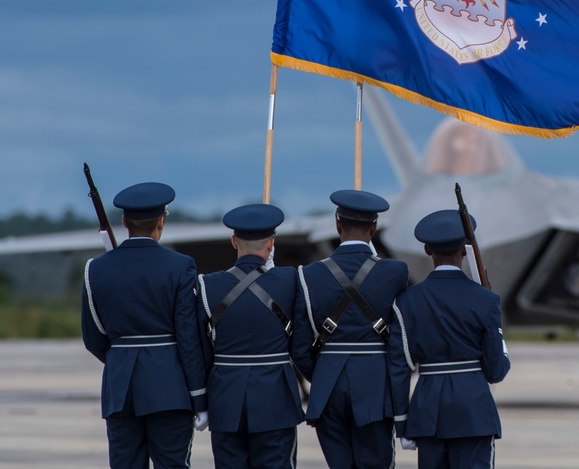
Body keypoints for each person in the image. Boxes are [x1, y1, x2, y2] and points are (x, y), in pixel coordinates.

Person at [80, 182, 209, 469]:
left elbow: (94, 337)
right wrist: (199, 397)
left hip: (120, 389)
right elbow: (188, 337)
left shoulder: (96, 268)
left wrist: (122, 358)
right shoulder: (181, 266)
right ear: (161, 221)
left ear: (124, 222)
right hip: (170, 389)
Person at [292, 189, 409, 469]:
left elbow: (299, 346)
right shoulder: (395, 272)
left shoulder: (309, 275)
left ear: (337, 225)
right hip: (375, 385)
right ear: (374, 228)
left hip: (327, 388)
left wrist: (323, 373)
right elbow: (400, 342)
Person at [388, 209, 511, 469]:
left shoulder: (407, 300)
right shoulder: (486, 300)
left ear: (427, 250)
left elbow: (399, 366)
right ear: (465, 250)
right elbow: (496, 371)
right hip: (473, 412)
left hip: (427, 412)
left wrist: (401, 422)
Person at [197, 203, 306, 469]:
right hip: (276, 399)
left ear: (234, 241)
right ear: (272, 244)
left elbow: (200, 349)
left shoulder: (207, 285)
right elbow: (301, 342)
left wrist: (200, 399)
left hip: (225, 398)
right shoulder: (290, 280)